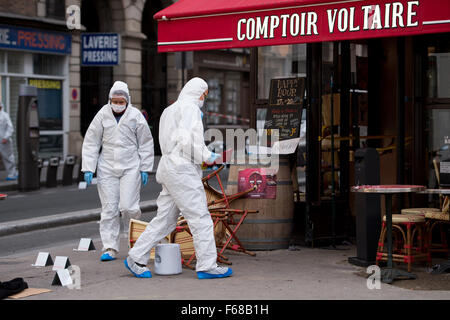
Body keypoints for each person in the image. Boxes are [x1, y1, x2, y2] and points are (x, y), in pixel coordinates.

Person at [124, 77, 231, 279]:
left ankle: (135, 257)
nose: (203, 99)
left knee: (164, 220)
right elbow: (189, 141)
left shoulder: (169, 109)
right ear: (199, 93)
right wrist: (210, 157)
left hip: (169, 166)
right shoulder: (190, 109)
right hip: (182, 169)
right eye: (204, 95)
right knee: (200, 217)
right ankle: (207, 265)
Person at [81, 81, 154, 262]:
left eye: (121, 101)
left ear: (127, 100)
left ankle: (135, 243)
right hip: (107, 167)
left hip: (130, 166)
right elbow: (91, 141)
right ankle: (110, 247)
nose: (118, 104)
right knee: (109, 210)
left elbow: (145, 142)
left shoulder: (136, 116)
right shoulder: (102, 115)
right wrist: (88, 167)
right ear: (109, 100)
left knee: (129, 207)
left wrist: (145, 167)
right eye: (115, 100)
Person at [0, 101, 18, 181]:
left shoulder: (4, 115)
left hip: (4, 140)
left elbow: (10, 128)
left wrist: (6, 137)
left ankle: (12, 174)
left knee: (8, 157)